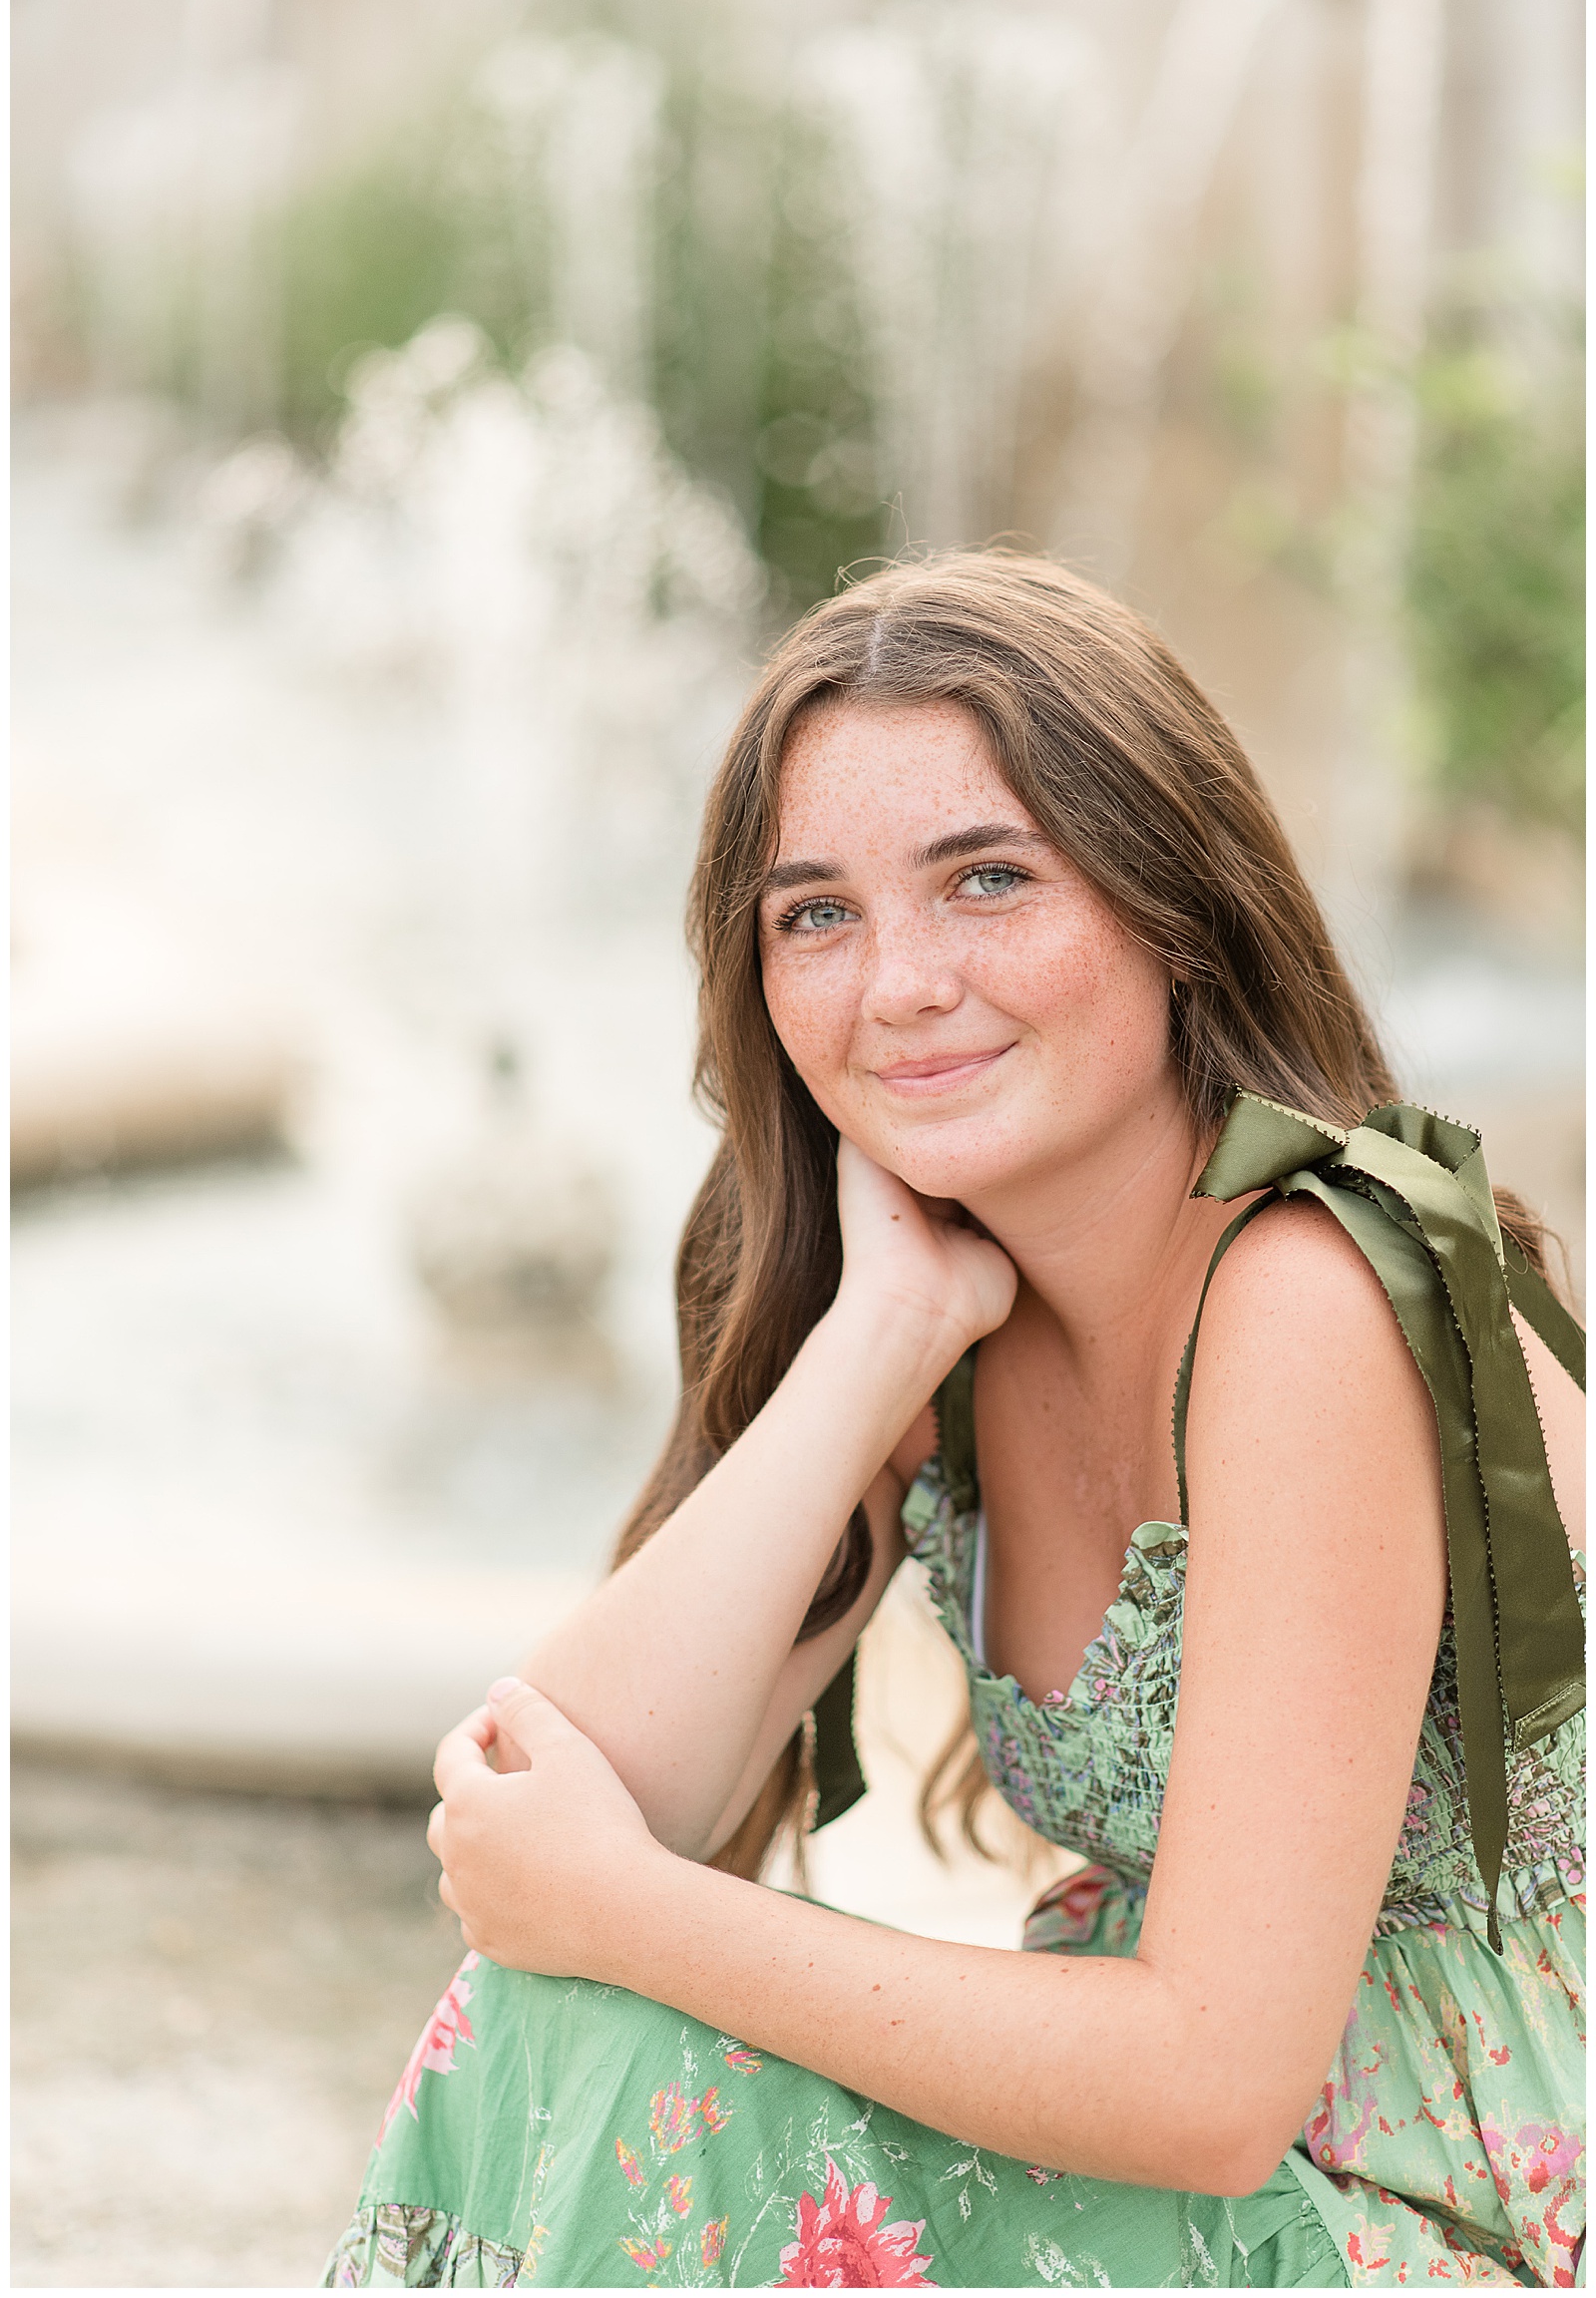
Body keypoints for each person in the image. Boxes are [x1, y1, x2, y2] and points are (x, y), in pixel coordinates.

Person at [326, 553, 1584, 2290]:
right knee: (559, 2020)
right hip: (1243, 2178)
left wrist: (635, 1912)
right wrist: (878, 1339)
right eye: (815, 913)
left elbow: (1216, 2079)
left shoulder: (1317, 1297)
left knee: (608, 2013)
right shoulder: (949, 1320)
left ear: (1171, 899)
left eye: (987, 879)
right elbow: (561, 1794)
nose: (899, 982)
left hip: (1473, 2215)